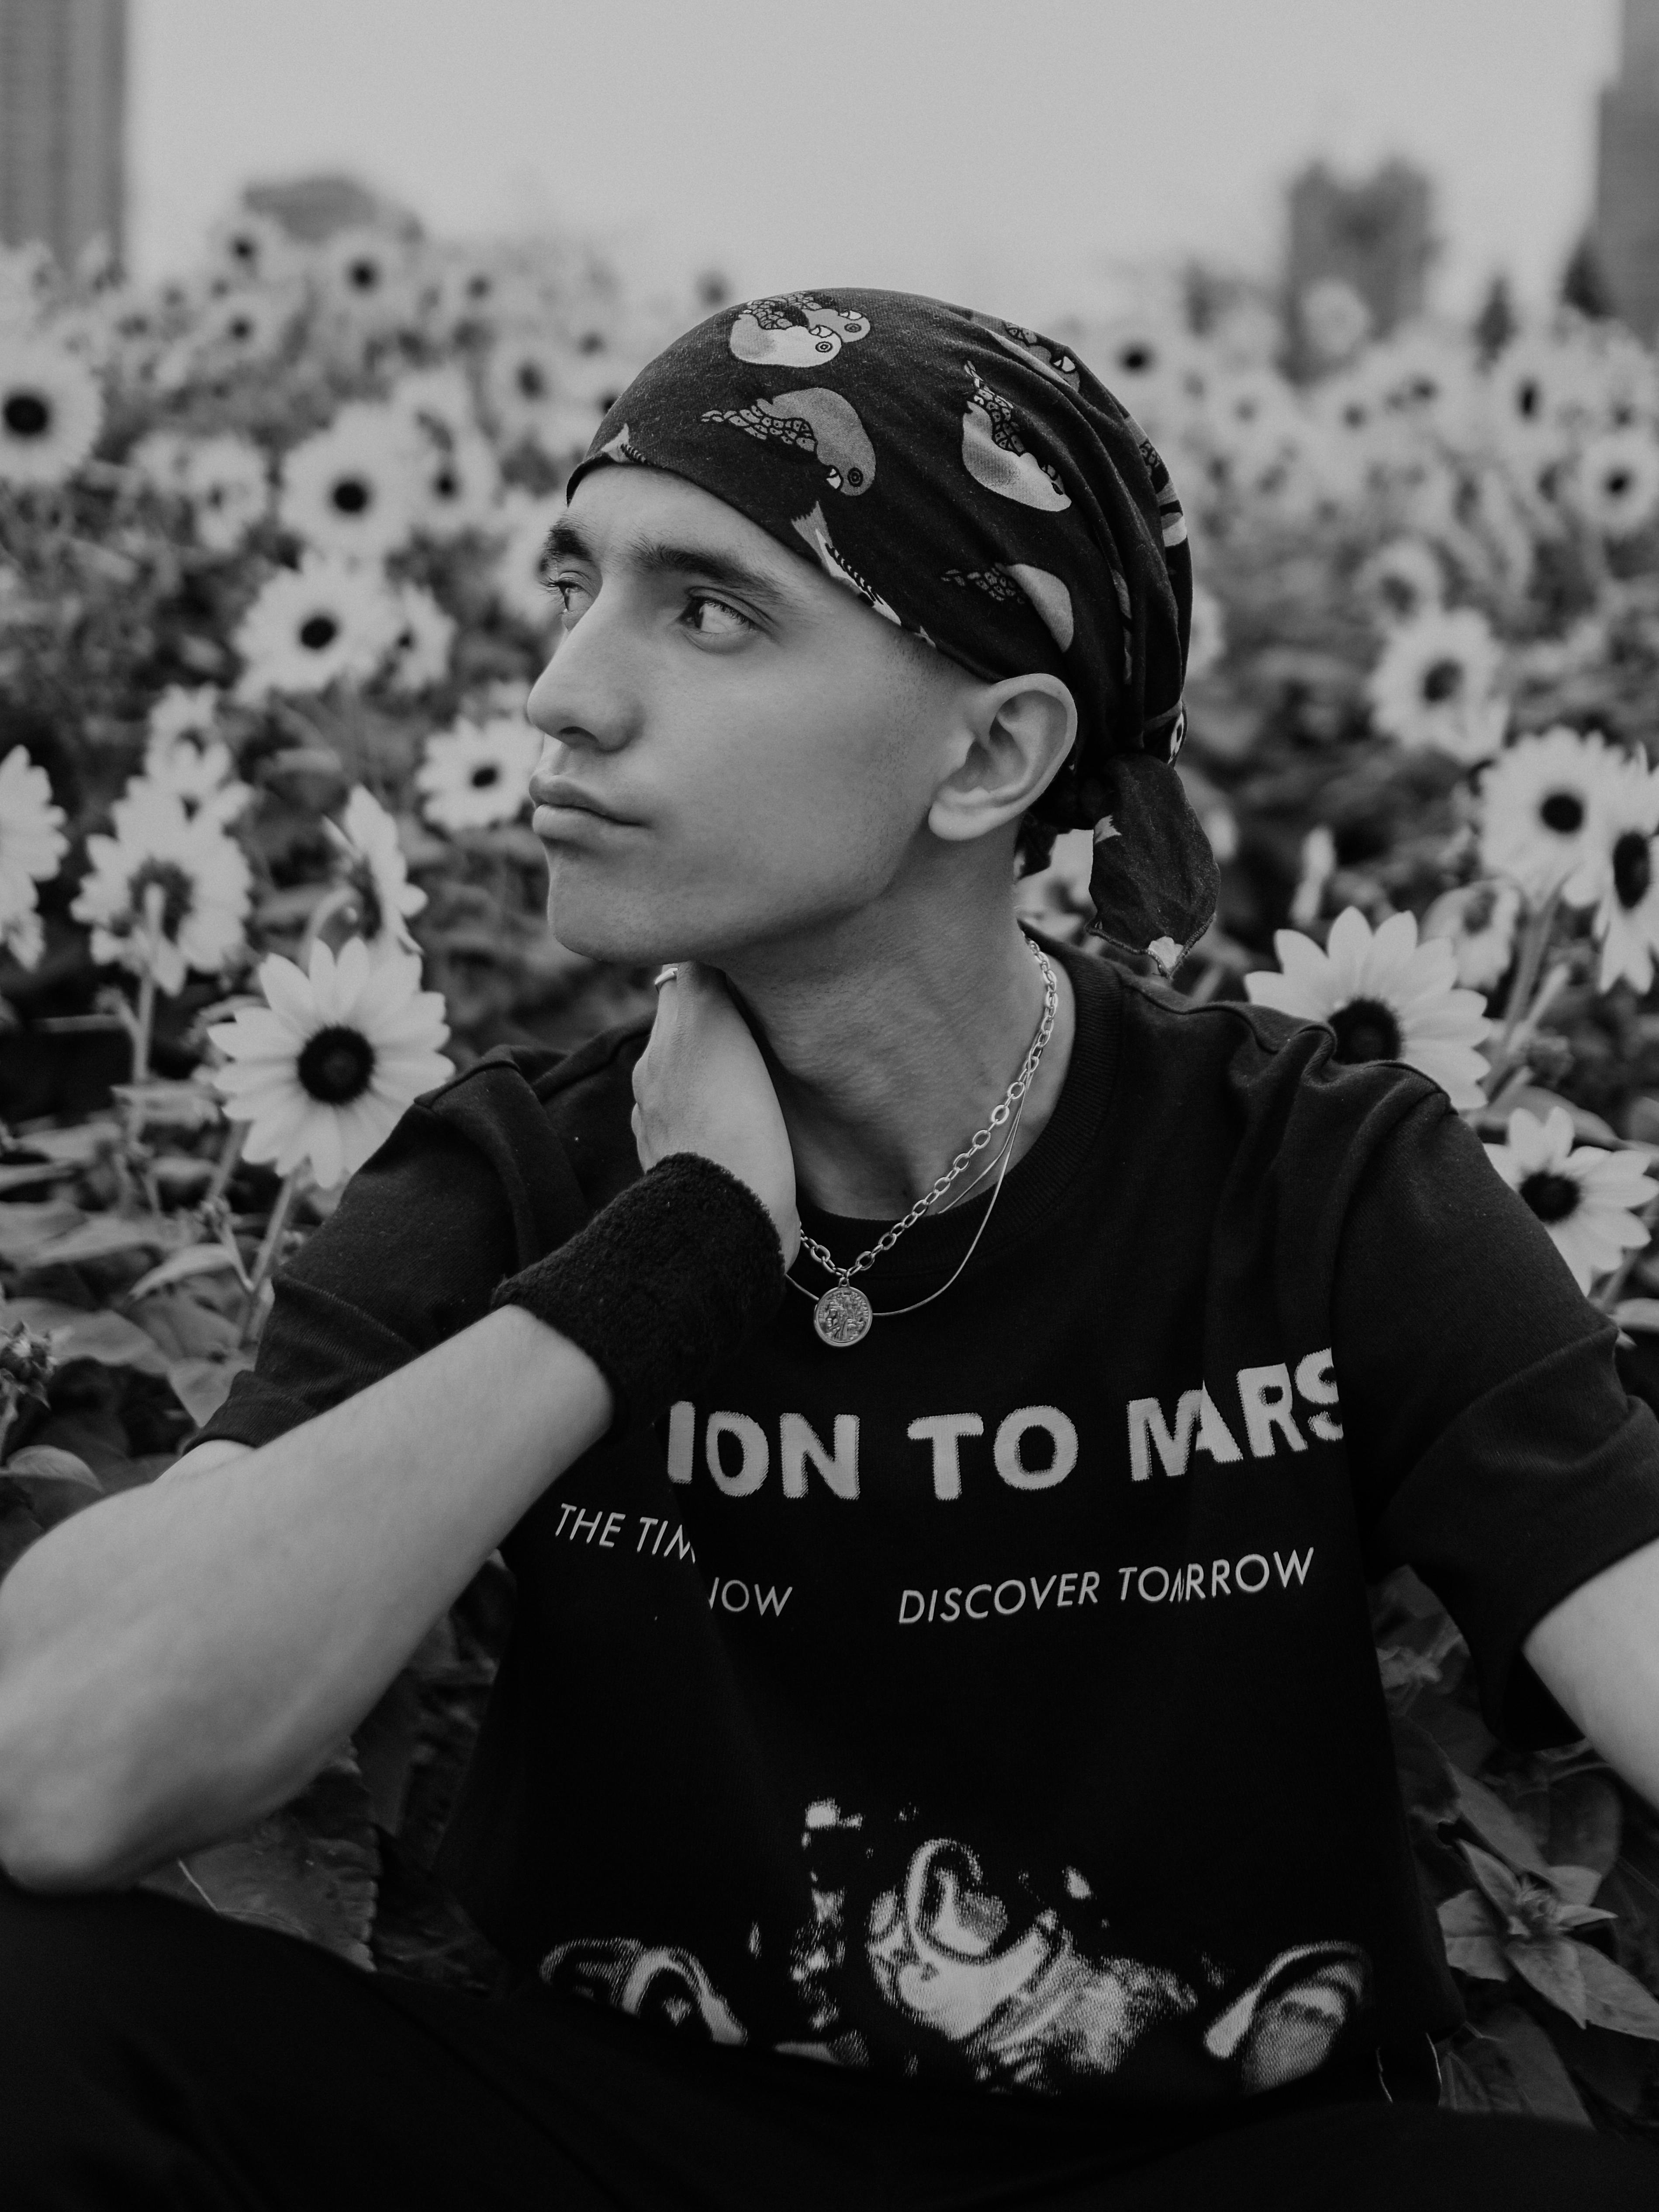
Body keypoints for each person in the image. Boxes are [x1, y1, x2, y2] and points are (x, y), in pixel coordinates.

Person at [1, 288, 1658, 2210]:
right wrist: (667, 1257)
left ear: (988, 758)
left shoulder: (1309, 1179)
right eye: (577, 583)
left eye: (708, 611)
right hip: (619, 2154)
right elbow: (61, 1769)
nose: (562, 689)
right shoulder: (520, 1175)